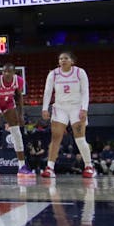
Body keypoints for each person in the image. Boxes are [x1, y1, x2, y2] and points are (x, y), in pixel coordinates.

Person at [40, 51, 95, 179]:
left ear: (72, 61)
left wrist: (84, 109)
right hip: (60, 108)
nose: (62, 60)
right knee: (55, 138)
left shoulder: (80, 72)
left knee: (80, 138)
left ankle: (89, 166)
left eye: (65, 58)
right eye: (60, 58)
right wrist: (44, 108)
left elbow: (85, 91)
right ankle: (50, 168)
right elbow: (47, 92)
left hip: (77, 107)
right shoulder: (53, 74)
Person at [0, 63, 31, 178]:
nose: (6, 73)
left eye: (9, 71)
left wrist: (20, 114)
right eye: (4, 71)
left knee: (17, 133)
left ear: (14, 73)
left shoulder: (19, 80)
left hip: (8, 103)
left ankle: (22, 167)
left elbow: (19, 96)